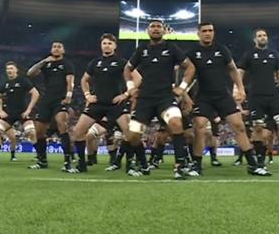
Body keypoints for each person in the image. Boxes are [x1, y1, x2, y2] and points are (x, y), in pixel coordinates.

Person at [179, 23, 271, 176]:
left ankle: (253, 165)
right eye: (204, 31)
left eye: (210, 31)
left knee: (239, 126)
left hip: (223, 95)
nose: (208, 33)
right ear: (198, 34)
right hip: (203, 96)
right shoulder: (192, 52)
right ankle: (196, 165)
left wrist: (240, 89)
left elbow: (233, 69)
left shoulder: (221, 50)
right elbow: (182, 73)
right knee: (199, 127)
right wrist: (184, 95)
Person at [124, 20, 192, 179]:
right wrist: (130, 87)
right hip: (145, 99)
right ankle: (143, 163)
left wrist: (182, 87)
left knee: (176, 123)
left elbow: (190, 67)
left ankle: (180, 165)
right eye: (152, 27)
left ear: (164, 30)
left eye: (158, 27)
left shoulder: (171, 48)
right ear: (148, 31)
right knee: (133, 135)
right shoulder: (142, 49)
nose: (155, 29)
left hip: (165, 97)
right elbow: (127, 68)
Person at [238, 28, 279, 170]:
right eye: (259, 36)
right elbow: (240, 71)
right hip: (255, 96)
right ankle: (260, 162)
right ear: (255, 40)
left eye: (264, 35)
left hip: (273, 95)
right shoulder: (249, 54)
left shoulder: (273, 54)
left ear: (267, 38)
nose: (262, 38)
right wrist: (238, 88)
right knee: (257, 127)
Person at [70, 33, 130, 173]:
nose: (107, 45)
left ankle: (128, 163)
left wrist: (126, 94)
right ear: (101, 46)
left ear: (115, 46)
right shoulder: (94, 63)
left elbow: (138, 78)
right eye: (104, 43)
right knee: (78, 132)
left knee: (130, 133)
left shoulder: (122, 62)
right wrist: (87, 95)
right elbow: (84, 80)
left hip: (116, 104)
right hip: (97, 104)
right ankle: (82, 164)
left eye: (110, 43)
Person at [27, 42, 76, 172]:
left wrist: (69, 95)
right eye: (54, 46)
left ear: (63, 50)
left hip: (60, 99)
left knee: (62, 124)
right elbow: (30, 73)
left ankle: (67, 162)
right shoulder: (46, 64)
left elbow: (70, 81)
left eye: (59, 46)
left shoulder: (67, 64)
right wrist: (43, 61)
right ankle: (42, 161)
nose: (56, 48)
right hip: (46, 100)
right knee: (39, 132)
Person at [0, 62, 40, 165]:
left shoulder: (23, 81)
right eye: (7, 69)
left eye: (11, 68)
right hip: (9, 114)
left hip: (22, 113)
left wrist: (29, 110)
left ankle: (40, 157)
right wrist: (0, 110)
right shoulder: (5, 83)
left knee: (31, 133)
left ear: (16, 70)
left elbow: (35, 93)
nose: (9, 70)